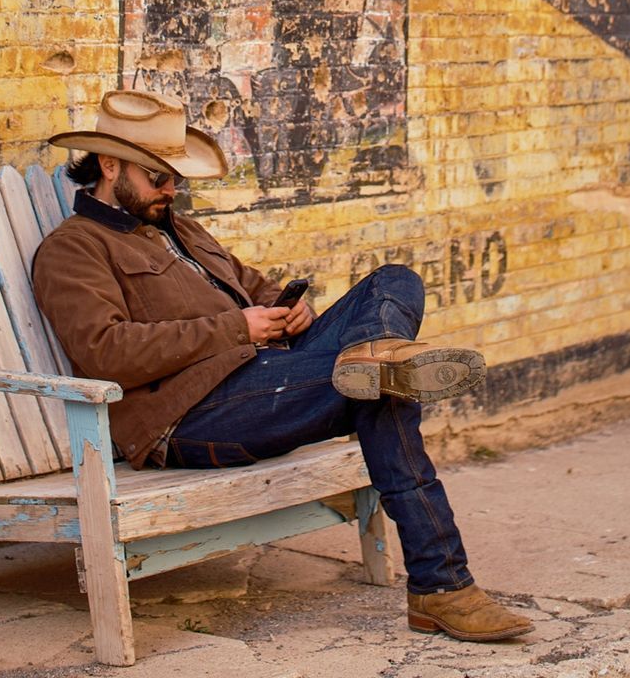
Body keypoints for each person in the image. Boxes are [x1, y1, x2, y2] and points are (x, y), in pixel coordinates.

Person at [29, 89, 532, 644]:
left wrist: (290, 310)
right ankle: (442, 586)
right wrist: (236, 328)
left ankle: (375, 356)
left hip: (264, 374)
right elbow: (105, 352)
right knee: (376, 391)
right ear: (109, 165)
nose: (172, 190)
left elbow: (253, 286)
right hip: (186, 414)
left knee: (395, 281)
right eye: (159, 178)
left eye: (177, 178)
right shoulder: (72, 249)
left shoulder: (181, 229)